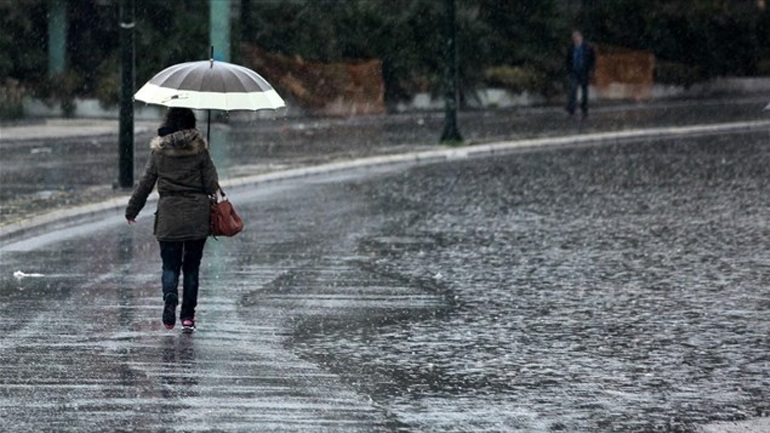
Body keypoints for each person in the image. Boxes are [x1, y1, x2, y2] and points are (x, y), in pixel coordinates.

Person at [125, 107, 219, 331]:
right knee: (192, 268)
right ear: (191, 124)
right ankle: (188, 317)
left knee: (170, 267)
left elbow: (145, 183)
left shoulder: (160, 151)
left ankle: (169, 297)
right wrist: (205, 158)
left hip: (169, 216)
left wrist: (132, 210)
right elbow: (210, 185)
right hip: (197, 216)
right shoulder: (200, 149)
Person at [565, 30, 596, 117]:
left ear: (581, 38)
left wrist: (591, 70)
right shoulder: (571, 48)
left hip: (584, 71)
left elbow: (592, 59)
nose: (576, 40)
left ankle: (584, 108)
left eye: (578, 38)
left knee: (584, 91)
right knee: (573, 89)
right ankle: (571, 108)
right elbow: (568, 60)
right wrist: (569, 70)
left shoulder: (588, 47)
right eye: (575, 38)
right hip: (574, 71)